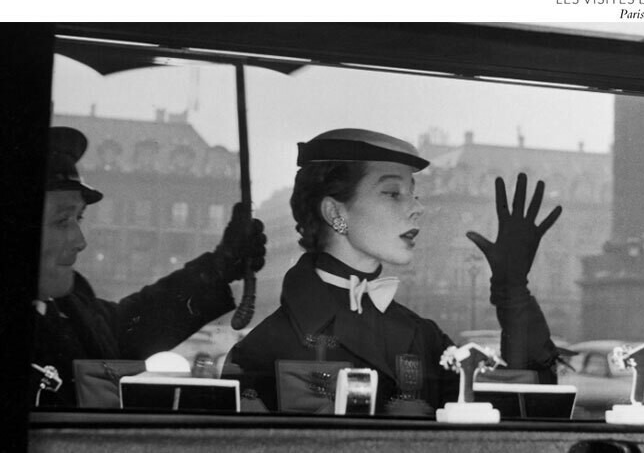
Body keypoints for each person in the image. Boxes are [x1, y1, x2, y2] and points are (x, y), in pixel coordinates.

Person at [223, 128, 561, 415]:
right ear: (334, 212)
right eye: (392, 193)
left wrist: (513, 290)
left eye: (414, 193)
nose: (418, 208)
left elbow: (520, 408)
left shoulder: (423, 336)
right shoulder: (263, 348)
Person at [30, 126, 267, 407]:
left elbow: (128, 328)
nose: (80, 242)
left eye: (78, 219)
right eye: (62, 221)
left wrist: (218, 268)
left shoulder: (68, 305)